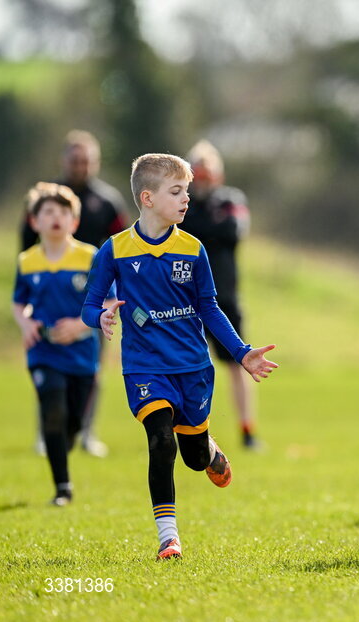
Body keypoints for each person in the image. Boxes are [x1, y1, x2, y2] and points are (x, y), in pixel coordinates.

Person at [81, 153, 278, 560]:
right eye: (177, 192)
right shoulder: (115, 250)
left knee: (191, 456)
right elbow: (89, 305)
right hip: (144, 367)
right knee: (160, 441)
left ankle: (207, 450)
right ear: (148, 198)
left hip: (193, 367)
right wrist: (99, 316)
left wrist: (241, 353)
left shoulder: (193, 248)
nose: (186, 199)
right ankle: (169, 537)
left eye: (187, 191)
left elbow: (210, 308)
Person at [22, 130, 132, 458]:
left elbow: (123, 249)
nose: (81, 166)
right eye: (75, 160)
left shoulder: (108, 201)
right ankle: (47, 432)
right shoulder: (44, 199)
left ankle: (86, 431)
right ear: (64, 160)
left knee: (91, 369)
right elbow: (26, 248)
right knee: (49, 370)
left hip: (94, 296)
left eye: (86, 160)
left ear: (95, 162)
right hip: (50, 296)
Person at [13, 183, 107, 505]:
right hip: (43, 351)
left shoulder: (89, 257)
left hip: (82, 355)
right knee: (52, 410)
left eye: (64, 212)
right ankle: (62, 488)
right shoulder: (27, 261)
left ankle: (62, 445)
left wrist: (80, 325)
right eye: (48, 212)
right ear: (34, 221)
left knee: (73, 424)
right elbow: (18, 302)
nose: (56, 218)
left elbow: (108, 303)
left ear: (74, 222)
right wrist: (26, 323)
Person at [181, 140, 258, 449]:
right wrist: (206, 226)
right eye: (197, 174)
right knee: (187, 364)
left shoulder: (230, 199)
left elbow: (233, 230)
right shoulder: (181, 201)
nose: (203, 180)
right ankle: (190, 429)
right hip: (186, 297)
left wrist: (201, 227)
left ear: (218, 175)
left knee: (239, 362)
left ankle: (247, 429)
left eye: (207, 173)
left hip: (223, 296)